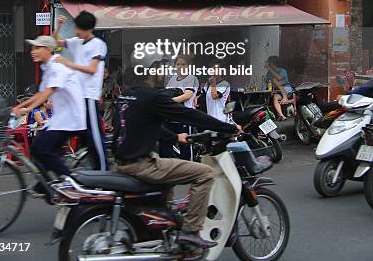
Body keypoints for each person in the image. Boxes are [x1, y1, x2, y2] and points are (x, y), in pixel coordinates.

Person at [113, 66, 241, 250]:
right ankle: (190, 232)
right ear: (151, 73)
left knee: (169, 175)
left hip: (122, 162)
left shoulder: (128, 95)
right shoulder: (153, 97)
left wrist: (173, 138)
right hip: (142, 164)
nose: (164, 75)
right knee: (205, 173)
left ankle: (161, 229)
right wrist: (228, 127)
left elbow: (146, 124)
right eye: (161, 70)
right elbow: (189, 115)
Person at [13, 36, 86, 180]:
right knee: (38, 149)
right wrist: (19, 106)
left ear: (48, 50)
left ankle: (69, 180)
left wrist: (27, 109)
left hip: (70, 119)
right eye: (33, 48)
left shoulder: (57, 67)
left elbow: (49, 91)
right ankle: (46, 184)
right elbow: (40, 93)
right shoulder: (47, 67)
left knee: (43, 149)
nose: (33, 51)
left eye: (37, 48)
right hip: (61, 118)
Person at [53, 12, 109, 170]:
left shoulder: (98, 44)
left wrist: (67, 62)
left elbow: (92, 69)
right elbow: (55, 42)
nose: (76, 31)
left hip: (89, 96)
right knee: (83, 135)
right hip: (76, 96)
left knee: (96, 137)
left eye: (79, 28)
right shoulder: (76, 42)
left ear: (88, 29)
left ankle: (104, 172)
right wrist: (58, 27)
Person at [160, 54, 199, 160]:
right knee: (167, 142)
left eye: (183, 64)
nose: (180, 67)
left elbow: (187, 95)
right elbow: (167, 93)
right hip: (171, 117)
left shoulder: (191, 78)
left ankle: (189, 167)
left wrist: (169, 102)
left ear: (189, 65)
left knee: (185, 144)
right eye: (178, 64)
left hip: (185, 116)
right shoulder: (172, 79)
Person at [265, 55, 293, 121]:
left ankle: (285, 98)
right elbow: (267, 80)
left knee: (276, 82)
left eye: (269, 63)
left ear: (273, 63)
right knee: (274, 97)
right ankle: (281, 115)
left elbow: (279, 78)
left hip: (286, 89)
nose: (268, 64)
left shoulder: (282, 70)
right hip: (277, 91)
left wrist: (269, 69)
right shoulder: (269, 72)